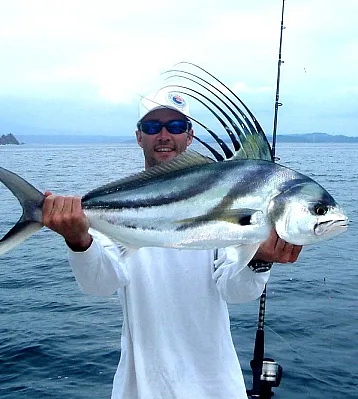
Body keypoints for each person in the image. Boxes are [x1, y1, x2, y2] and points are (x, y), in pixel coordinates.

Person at [42, 89, 302, 399]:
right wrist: (78, 240)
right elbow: (100, 284)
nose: (164, 135)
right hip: (141, 388)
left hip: (216, 387)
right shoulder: (120, 203)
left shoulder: (227, 197)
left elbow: (235, 291)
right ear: (139, 137)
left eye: (175, 127)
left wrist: (259, 260)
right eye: (153, 127)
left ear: (190, 136)